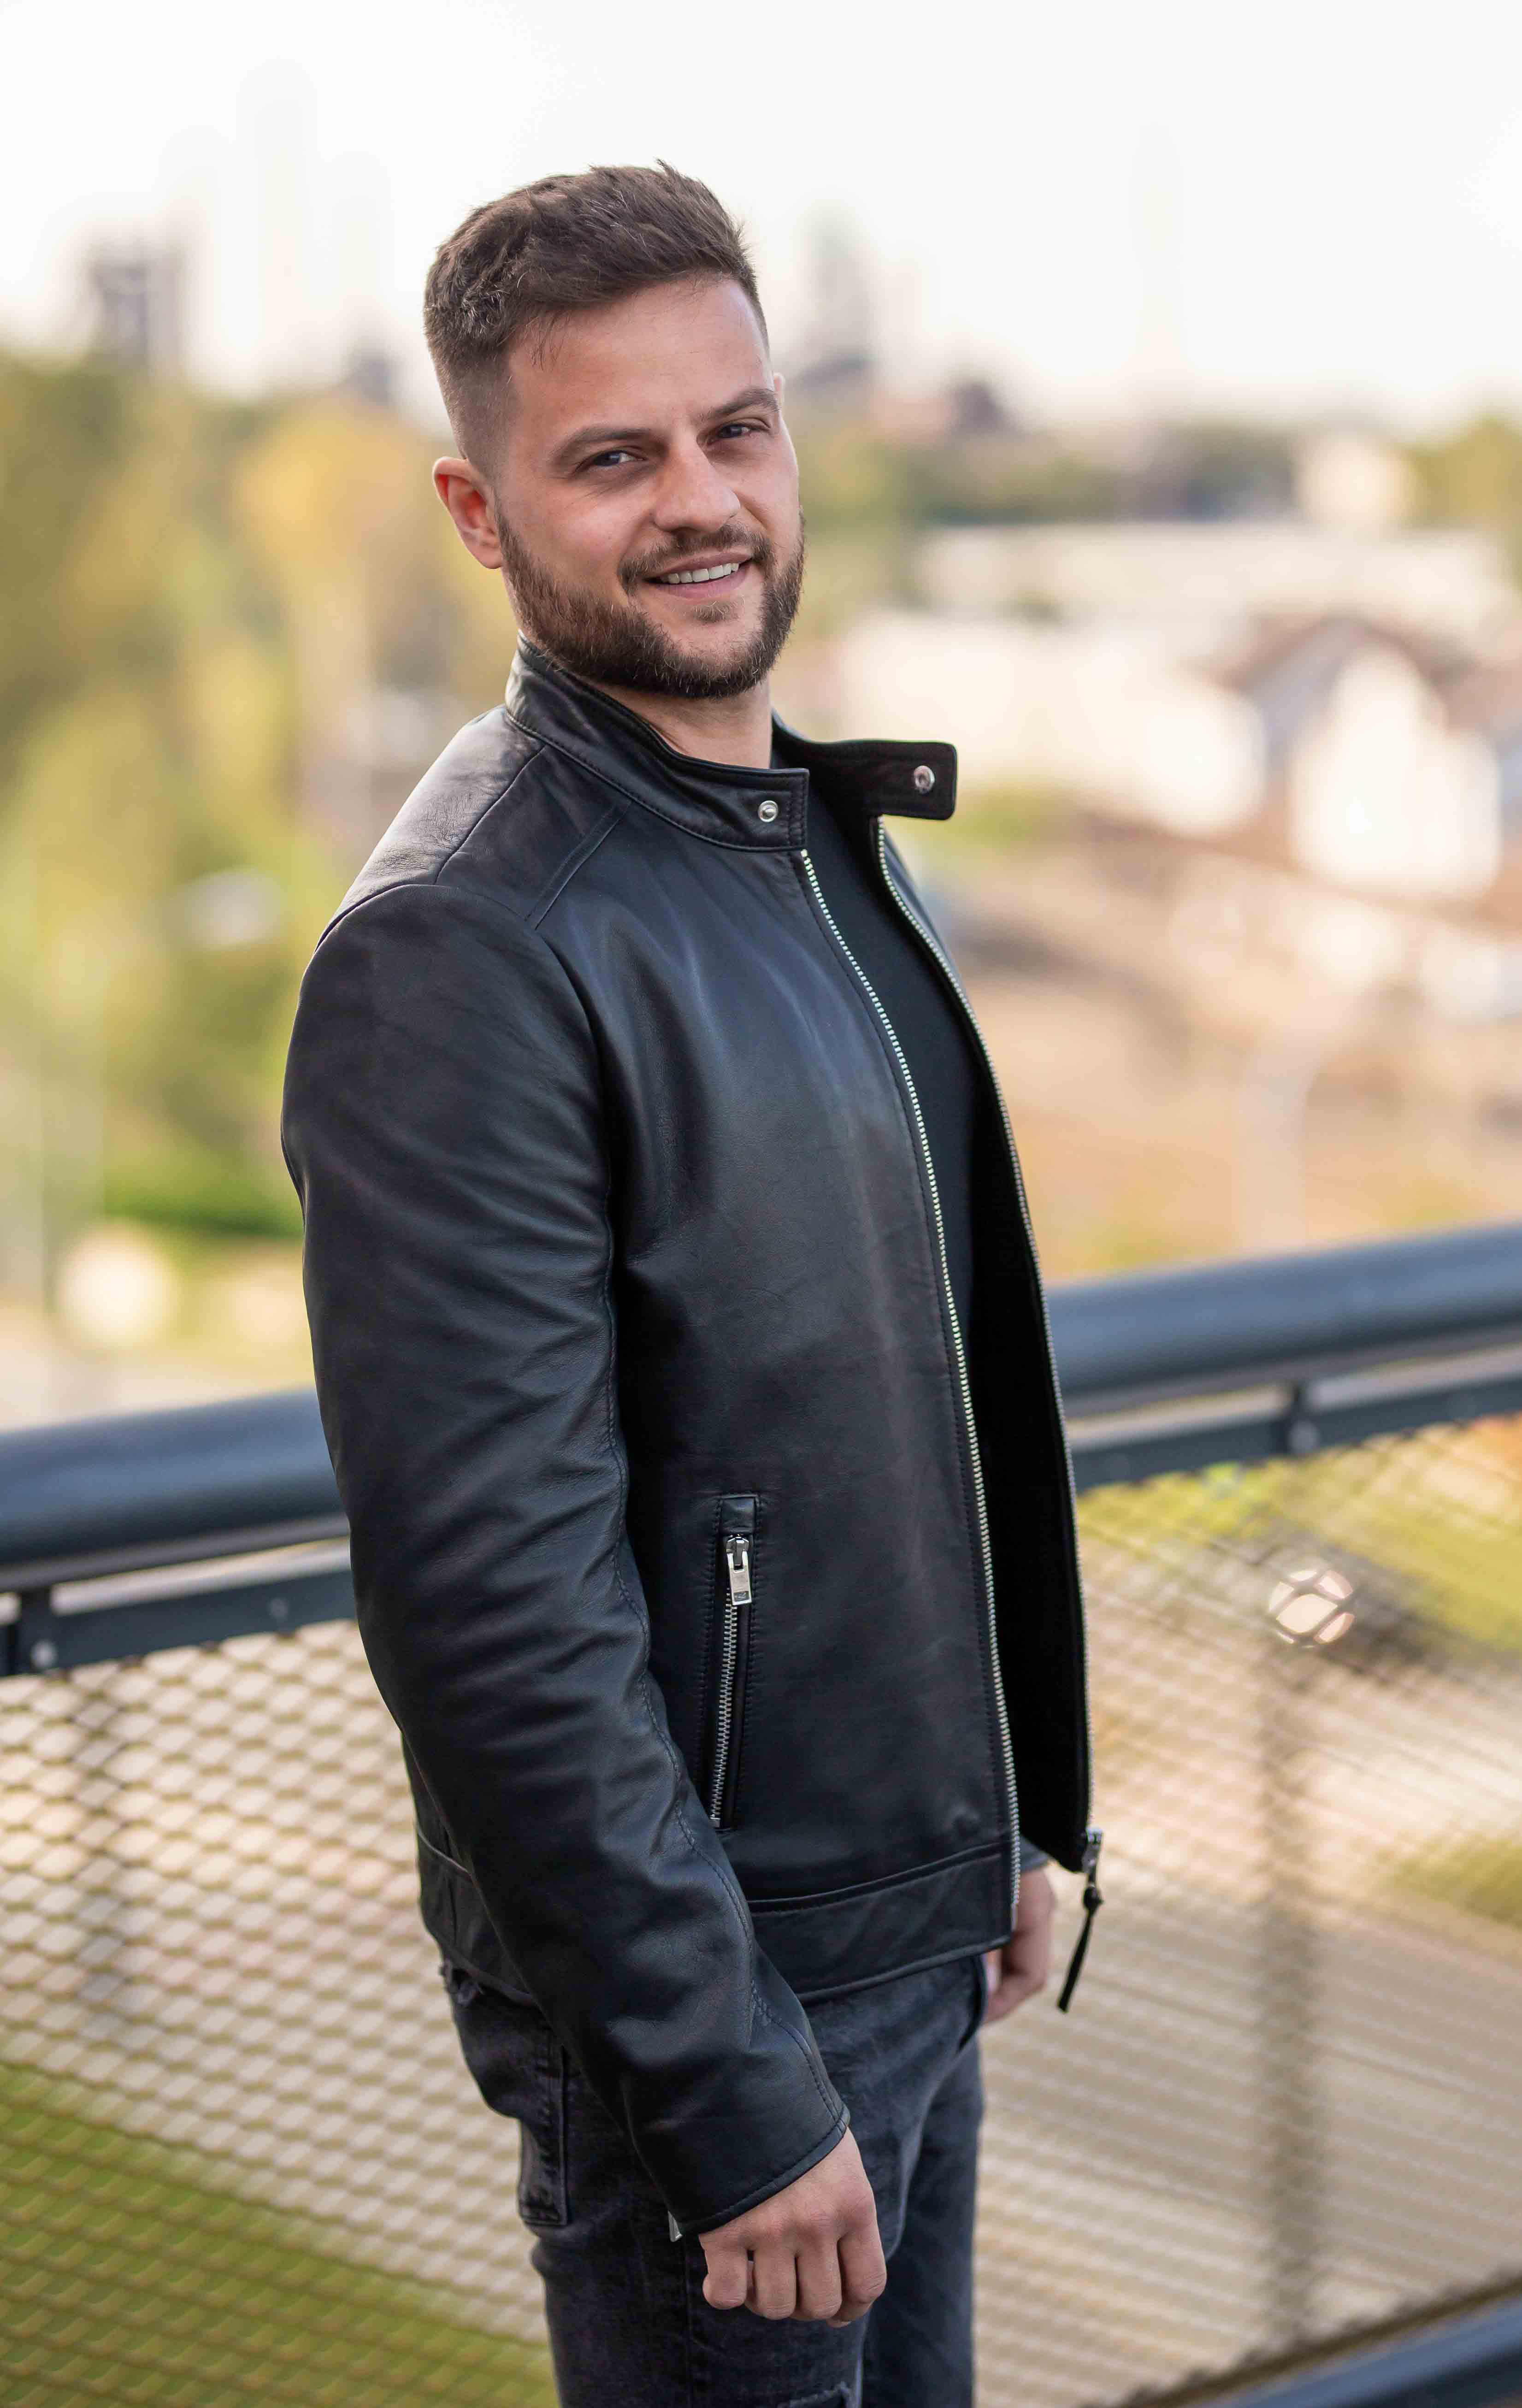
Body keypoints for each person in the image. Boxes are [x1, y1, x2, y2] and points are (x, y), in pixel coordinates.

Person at [281, 162, 1096, 2408]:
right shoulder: (468, 945)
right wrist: (722, 2079)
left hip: (903, 1942)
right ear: (480, 512)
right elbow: (493, 1606)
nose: (701, 501)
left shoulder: (807, 844)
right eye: (612, 456)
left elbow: (883, 1394)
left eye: (735, 429)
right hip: (724, 2035)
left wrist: (989, 1823)